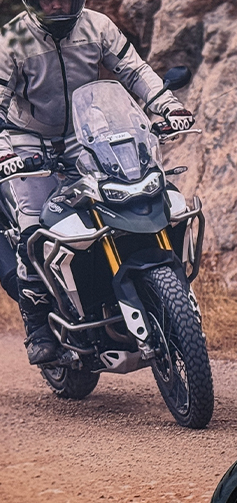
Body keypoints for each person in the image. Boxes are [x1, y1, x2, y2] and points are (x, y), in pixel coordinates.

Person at [0, 0, 195, 365]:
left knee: (122, 199)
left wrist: (168, 105)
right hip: (28, 140)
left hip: (85, 133)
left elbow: (134, 70)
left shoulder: (97, 25)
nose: (57, 4)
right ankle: (38, 326)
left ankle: (117, 288)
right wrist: (4, 152)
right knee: (33, 228)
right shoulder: (14, 38)